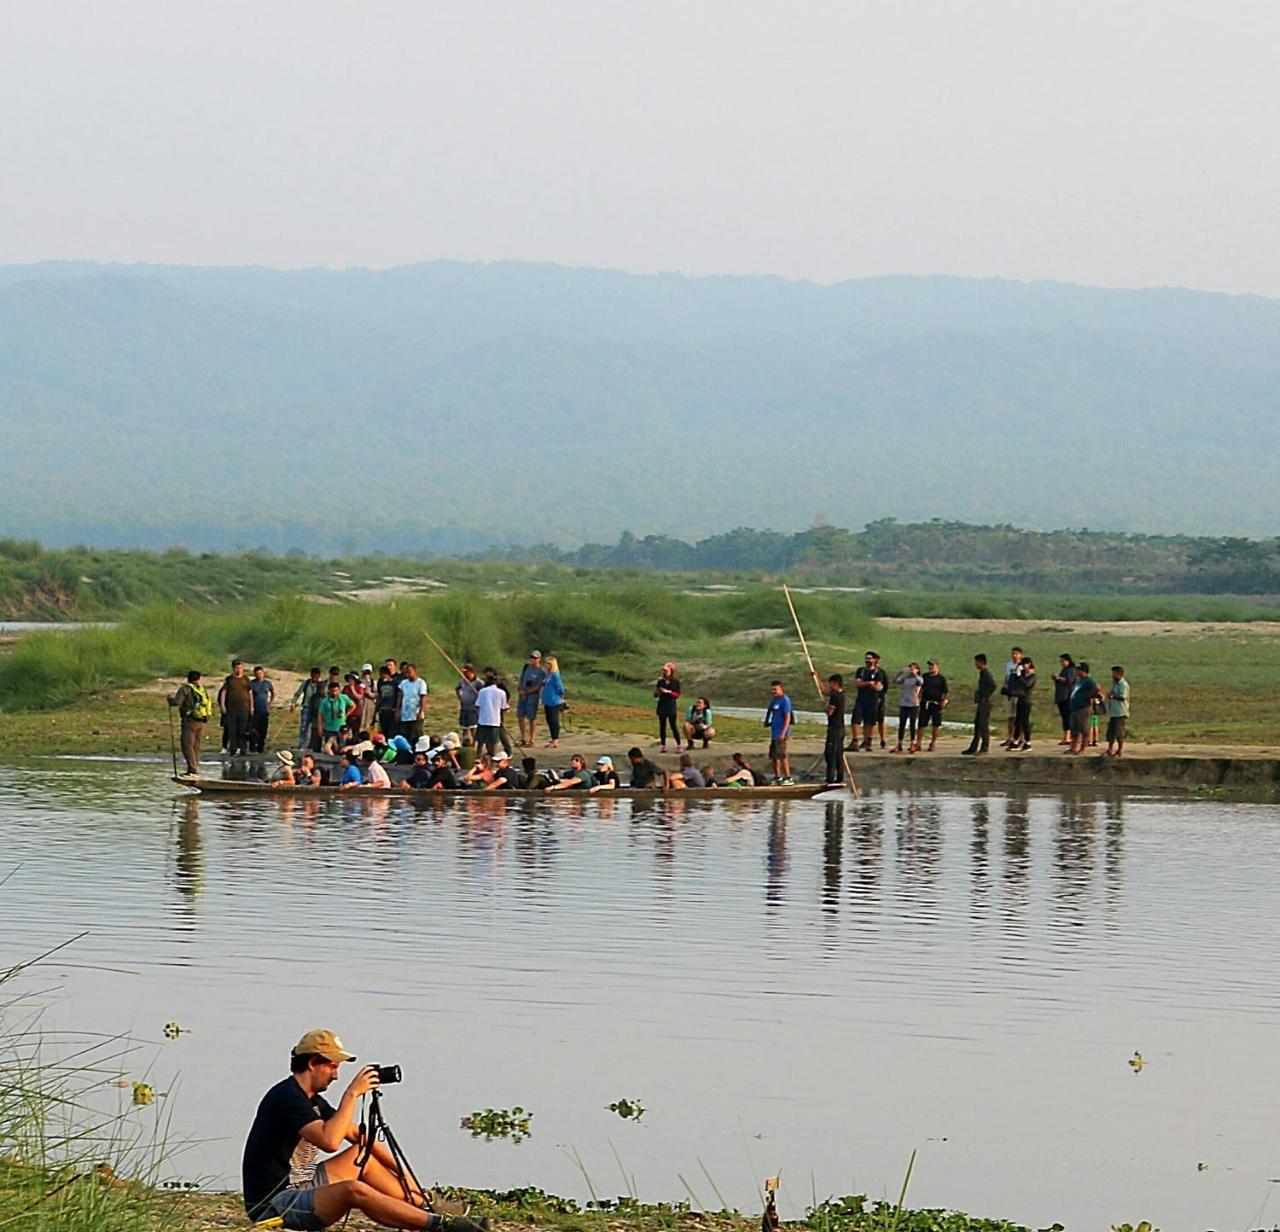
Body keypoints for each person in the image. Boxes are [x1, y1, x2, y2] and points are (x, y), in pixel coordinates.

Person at [242, 1028, 487, 1232]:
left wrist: (411, 1183)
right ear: (313, 1063)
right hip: (274, 1204)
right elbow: (330, 1141)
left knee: (363, 1156)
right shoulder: (287, 1097)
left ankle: (424, 1206)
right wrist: (352, 1094)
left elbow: (360, 1138)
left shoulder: (311, 1100)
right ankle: (440, 1225)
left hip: (301, 1185)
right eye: (332, 1067)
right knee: (353, 1190)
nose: (336, 1076)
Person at [167, 669, 212, 777]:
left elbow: (177, 702)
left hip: (190, 721)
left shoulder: (185, 689)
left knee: (187, 745)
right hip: (201, 720)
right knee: (196, 746)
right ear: (199, 679)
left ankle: (192, 770)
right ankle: (195, 768)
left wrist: (170, 699)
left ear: (188, 679)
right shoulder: (202, 690)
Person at [811, 672, 846, 785]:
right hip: (841, 729)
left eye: (831, 684)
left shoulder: (836, 696)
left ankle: (830, 778)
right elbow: (824, 691)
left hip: (835, 729)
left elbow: (829, 712)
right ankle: (840, 777)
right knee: (838, 754)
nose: (830, 686)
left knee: (830, 753)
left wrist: (824, 706)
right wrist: (816, 678)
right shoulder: (840, 694)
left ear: (836, 684)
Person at [850, 652, 887, 752]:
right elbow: (857, 683)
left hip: (873, 699)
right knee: (855, 719)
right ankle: (855, 740)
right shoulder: (861, 671)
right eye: (866, 658)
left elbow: (878, 686)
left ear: (875, 660)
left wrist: (869, 684)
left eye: (870, 658)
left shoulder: (879, 672)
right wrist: (869, 683)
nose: (867, 660)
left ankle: (868, 741)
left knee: (870, 721)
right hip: (861, 698)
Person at [961, 654, 997, 755]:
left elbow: (993, 685)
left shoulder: (986, 674)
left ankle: (984, 747)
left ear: (981, 662)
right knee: (977, 725)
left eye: (977, 662)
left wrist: (985, 696)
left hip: (985, 703)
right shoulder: (982, 673)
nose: (975, 664)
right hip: (981, 702)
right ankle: (973, 747)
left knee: (983, 725)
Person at [221, 658, 255, 757]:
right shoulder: (229, 679)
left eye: (241, 668)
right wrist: (223, 705)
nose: (239, 670)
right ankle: (233, 750)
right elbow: (224, 692)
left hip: (244, 708)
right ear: (233, 668)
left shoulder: (246, 679)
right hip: (231, 709)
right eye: (237, 668)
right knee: (232, 730)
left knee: (243, 730)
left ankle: (243, 750)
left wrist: (252, 707)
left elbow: (250, 693)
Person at [1067, 660, 1101, 756]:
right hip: (1075, 708)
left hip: (1083, 708)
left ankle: (1083, 748)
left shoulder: (1089, 680)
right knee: (1074, 728)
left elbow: (1097, 688)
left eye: (1078, 670)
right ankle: (1073, 747)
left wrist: (1090, 695)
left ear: (1083, 671)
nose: (1077, 672)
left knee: (1084, 728)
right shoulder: (1079, 680)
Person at [763, 680, 794, 784]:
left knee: (781, 755)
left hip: (782, 733)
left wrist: (783, 733)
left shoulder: (785, 700)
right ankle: (777, 777)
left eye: (775, 689)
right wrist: (767, 721)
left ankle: (788, 777)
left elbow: (787, 718)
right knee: (774, 756)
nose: (773, 691)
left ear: (781, 689)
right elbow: (770, 711)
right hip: (774, 732)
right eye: (772, 689)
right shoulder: (774, 701)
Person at [515, 650, 547, 747]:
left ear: (539, 659)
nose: (533, 660)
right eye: (532, 658)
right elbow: (521, 679)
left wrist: (527, 692)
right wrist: (520, 689)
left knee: (531, 718)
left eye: (535, 658)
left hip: (532, 696)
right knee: (520, 716)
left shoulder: (541, 671)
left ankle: (532, 739)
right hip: (522, 695)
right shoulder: (526, 668)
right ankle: (523, 738)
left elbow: (538, 685)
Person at [474, 669, 507, 756]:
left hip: (483, 720)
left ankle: (478, 758)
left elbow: (477, 705)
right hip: (495, 721)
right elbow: (503, 708)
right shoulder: (502, 693)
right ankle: (494, 758)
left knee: (480, 743)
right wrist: (501, 719)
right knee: (494, 742)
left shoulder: (482, 691)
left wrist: (479, 715)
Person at [892, 663, 924, 753]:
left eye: (913, 668)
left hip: (914, 704)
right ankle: (899, 744)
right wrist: (900, 673)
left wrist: (915, 674)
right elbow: (895, 681)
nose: (911, 670)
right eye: (910, 668)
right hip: (904, 704)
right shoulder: (906, 678)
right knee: (902, 724)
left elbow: (920, 682)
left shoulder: (918, 679)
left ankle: (912, 743)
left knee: (912, 724)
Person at [918, 659, 949, 752]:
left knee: (936, 724)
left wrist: (943, 702)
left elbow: (945, 692)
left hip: (936, 704)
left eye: (933, 665)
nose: (931, 667)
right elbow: (920, 689)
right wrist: (918, 698)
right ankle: (918, 743)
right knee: (921, 724)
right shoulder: (925, 676)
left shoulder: (941, 679)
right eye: (930, 665)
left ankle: (933, 743)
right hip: (925, 703)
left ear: (937, 666)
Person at [318, 682, 356, 755]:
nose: (334, 693)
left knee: (341, 747)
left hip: (341, 728)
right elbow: (320, 715)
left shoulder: (343, 698)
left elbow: (353, 706)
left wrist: (346, 715)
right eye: (332, 691)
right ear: (329, 690)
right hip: (329, 728)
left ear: (339, 690)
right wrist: (320, 728)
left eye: (336, 691)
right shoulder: (325, 701)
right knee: (329, 747)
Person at [396, 664, 429, 748]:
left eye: (409, 672)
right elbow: (400, 697)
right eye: (406, 673)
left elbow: (423, 698)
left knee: (417, 735)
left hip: (415, 713)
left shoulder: (421, 683)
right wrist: (398, 711)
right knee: (405, 735)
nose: (408, 675)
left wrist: (420, 712)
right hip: (405, 714)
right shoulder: (403, 683)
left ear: (414, 671)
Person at [1008, 656, 1037, 750]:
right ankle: (1015, 740)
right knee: (1018, 720)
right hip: (1020, 699)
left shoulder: (1032, 676)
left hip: (1027, 701)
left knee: (1025, 721)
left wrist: (1020, 675)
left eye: (1024, 664)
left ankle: (1028, 741)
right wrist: (1017, 673)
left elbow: (1027, 684)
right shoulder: (1023, 675)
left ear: (1029, 664)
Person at [653, 662, 682, 753]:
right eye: (664, 671)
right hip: (662, 706)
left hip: (671, 706)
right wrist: (658, 692)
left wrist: (668, 692)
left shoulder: (675, 682)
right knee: (662, 726)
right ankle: (663, 745)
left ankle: (679, 744)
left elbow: (677, 695)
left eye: (666, 671)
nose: (665, 672)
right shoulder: (660, 681)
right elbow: (655, 694)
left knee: (673, 726)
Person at [1000, 647, 1025, 748]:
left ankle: (1021, 738)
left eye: (1016, 654)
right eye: (1013, 654)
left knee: (1020, 717)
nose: (1014, 655)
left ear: (1020, 655)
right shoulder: (1008, 665)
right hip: (1010, 693)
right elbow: (1006, 678)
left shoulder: (1023, 665)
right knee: (1010, 717)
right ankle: (1010, 737)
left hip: (1019, 693)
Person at [1105, 665, 1131, 757]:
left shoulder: (1123, 685)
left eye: (1114, 674)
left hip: (1120, 712)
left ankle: (1119, 750)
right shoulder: (1114, 684)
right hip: (1113, 712)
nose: (1112, 675)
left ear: (1119, 674)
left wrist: (1112, 696)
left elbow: (1122, 697)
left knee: (1119, 732)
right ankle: (1110, 749)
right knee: (1111, 732)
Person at [1051, 654, 1077, 745]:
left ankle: (1068, 737)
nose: (1061, 663)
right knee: (1064, 716)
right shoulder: (1065, 670)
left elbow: (1069, 681)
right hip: (1062, 696)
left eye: (1063, 661)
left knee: (1067, 716)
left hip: (1067, 696)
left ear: (1068, 661)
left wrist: (1058, 677)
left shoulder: (1071, 670)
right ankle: (1067, 736)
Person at [248, 666, 275, 754]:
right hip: (255, 709)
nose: (259, 675)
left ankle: (261, 747)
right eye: (257, 674)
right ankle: (252, 747)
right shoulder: (252, 683)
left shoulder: (267, 683)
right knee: (253, 729)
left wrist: (270, 703)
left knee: (263, 729)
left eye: (260, 673)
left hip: (264, 710)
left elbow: (273, 693)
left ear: (263, 673)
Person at [540, 656, 565, 748]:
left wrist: (561, 695)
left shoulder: (555, 674)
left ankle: (556, 739)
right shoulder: (548, 674)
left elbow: (560, 687)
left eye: (547, 663)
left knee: (553, 720)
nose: (545, 665)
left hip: (553, 700)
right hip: (547, 700)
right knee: (549, 720)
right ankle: (553, 738)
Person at [455, 664, 481, 745]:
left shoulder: (478, 682)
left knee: (473, 729)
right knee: (464, 729)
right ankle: (465, 745)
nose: (464, 674)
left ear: (471, 672)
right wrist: (460, 696)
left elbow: (483, 693)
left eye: (466, 672)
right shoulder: (462, 681)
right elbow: (457, 688)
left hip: (473, 709)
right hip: (464, 708)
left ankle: (474, 747)